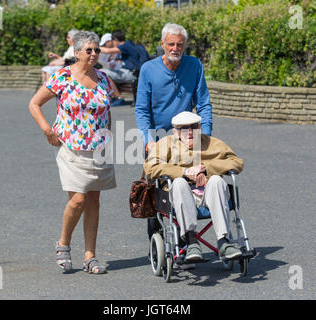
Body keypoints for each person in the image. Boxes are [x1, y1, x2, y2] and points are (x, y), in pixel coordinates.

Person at [29, 31, 116, 274]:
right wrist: (48, 131)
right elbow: (34, 104)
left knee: (94, 201)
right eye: (88, 50)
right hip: (70, 146)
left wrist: (108, 134)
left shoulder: (103, 78)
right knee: (78, 199)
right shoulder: (63, 77)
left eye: (96, 50)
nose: (94, 54)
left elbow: (105, 111)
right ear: (76, 52)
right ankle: (63, 244)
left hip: (99, 148)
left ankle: (90, 256)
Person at [135, 23, 213, 263]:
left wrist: (205, 136)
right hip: (158, 137)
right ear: (162, 45)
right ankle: (157, 236)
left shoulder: (194, 65)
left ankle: (186, 238)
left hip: (186, 135)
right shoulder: (148, 69)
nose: (175, 48)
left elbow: (204, 104)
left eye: (180, 44)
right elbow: (141, 109)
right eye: (171, 43)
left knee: (189, 181)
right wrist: (149, 140)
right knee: (157, 191)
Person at [143, 111, 244, 261]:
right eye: (184, 128)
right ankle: (191, 242)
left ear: (200, 127)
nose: (190, 132)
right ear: (176, 131)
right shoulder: (166, 144)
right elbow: (150, 167)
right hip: (180, 196)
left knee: (217, 181)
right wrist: (184, 172)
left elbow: (237, 162)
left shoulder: (212, 143)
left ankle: (224, 242)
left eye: (194, 127)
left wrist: (205, 168)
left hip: (209, 194)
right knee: (179, 183)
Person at [99, 33, 127, 106]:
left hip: (126, 71)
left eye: (105, 44)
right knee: (102, 73)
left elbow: (119, 61)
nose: (104, 46)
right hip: (120, 71)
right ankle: (112, 96)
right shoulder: (116, 49)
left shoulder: (121, 47)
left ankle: (119, 97)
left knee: (103, 73)